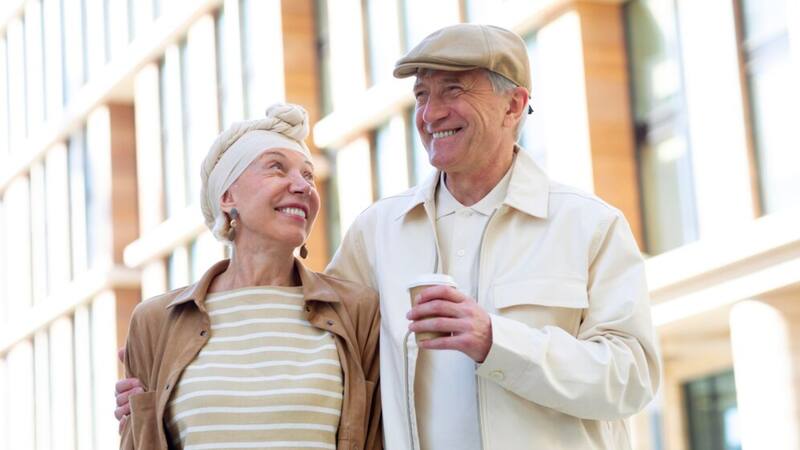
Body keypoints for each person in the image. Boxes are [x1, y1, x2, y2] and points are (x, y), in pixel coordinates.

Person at [119, 24, 660, 449]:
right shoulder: (379, 231)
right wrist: (158, 393)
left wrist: (498, 340)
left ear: (514, 105)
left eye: (454, 90)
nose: (431, 113)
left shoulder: (589, 224)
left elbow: (633, 378)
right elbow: (313, 346)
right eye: (423, 95)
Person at [117, 103, 381, 450]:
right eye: (276, 168)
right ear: (227, 196)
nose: (302, 186)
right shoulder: (157, 322)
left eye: (307, 175)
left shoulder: (357, 311)